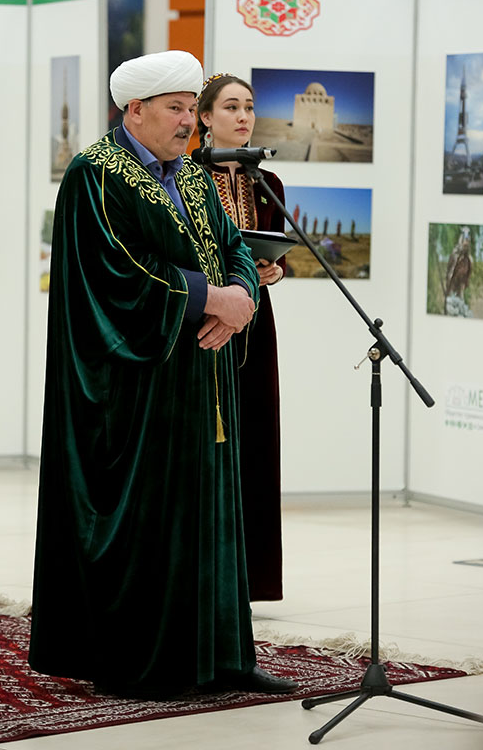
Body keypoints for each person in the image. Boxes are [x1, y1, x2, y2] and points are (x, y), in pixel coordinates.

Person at [29, 50, 297, 697]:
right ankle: (146, 662)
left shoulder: (195, 177)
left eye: (188, 109)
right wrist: (213, 299)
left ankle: (223, 656)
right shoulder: (96, 175)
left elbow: (234, 246)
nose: (188, 123)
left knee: (211, 515)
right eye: (176, 110)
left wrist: (240, 297)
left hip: (202, 377)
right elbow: (115, 274)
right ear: (135, 110)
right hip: (135, 390)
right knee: (150, 522)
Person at [197, 74, 286, 603]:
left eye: (249, 107)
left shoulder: (268, 183)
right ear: (205, 117)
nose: (243, 116)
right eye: (231, 106)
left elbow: (276, 248)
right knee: (208, 441)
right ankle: (203, 572)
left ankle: (250, 580)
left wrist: (274, 272)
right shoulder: (184, 177)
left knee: (255, 437)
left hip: (257, 319)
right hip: (205, 320)